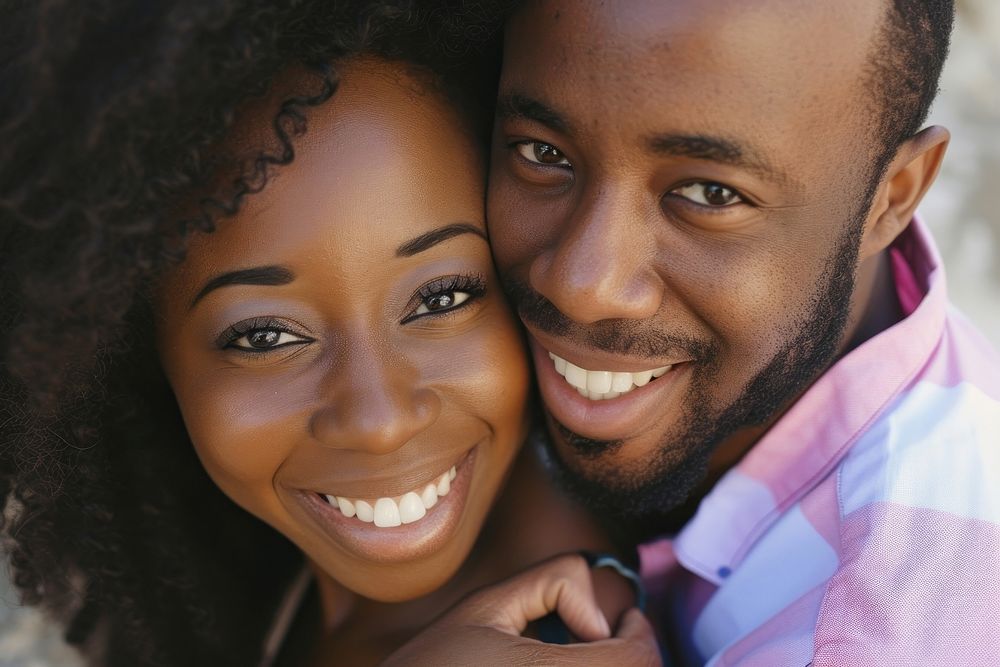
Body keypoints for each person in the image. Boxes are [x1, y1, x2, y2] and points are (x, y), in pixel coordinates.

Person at [0, 2, 654, 665]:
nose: (380, 420)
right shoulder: (217, 576)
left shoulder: (569, 642)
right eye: (265, 338)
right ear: (126, 351)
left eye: (441, 297)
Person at [389, 0, 1000, 665]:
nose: (583, 284)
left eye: (710, 193)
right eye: (543, 153)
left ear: (892, 198)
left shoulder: (867, 641)